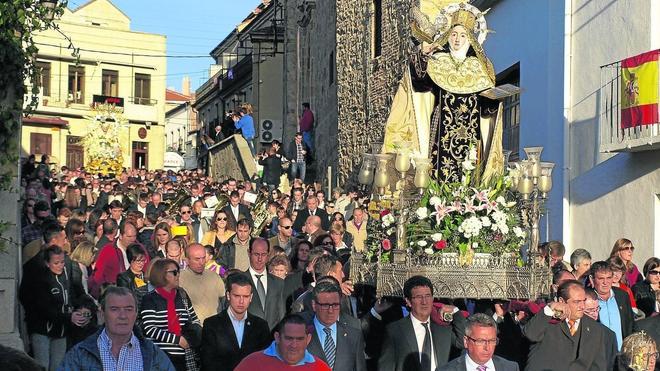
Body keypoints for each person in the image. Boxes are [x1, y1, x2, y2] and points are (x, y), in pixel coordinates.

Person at [383, 2, 502, 183]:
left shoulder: (480, 67)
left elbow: (486, 109)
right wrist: (422, 56)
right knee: (438, 173)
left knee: (470, 174)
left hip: (472, 134)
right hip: (441, 133)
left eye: (462, 35)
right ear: (447, 36)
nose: (457, 39)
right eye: (453, 34)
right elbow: (420, 82)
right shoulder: (438, 60)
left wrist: (494, 101)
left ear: (470, 38)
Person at [58, 286, 175, 371]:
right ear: (102, 313)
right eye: (114, 309)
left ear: (136, 313)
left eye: (128, 309)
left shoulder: (153, 355)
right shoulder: (80, 354)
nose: (123, 316)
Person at [379, 275, 466, 371]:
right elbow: (385, 367)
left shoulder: (443, 329)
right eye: (418, 297)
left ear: (433, 298)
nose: (424, 302)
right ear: (408, 301)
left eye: (428, 296)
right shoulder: (395, 330)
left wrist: (455, 311)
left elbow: (462, 342)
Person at [19, 245, 84, 371]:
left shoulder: (65, 275)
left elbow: (70, 296)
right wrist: (69, 316)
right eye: (56, 263)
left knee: (57, 366)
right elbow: (45, 308)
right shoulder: (41, 280)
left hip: (61, 330)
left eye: (62, 262)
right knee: (42, 365)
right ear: (47, 263)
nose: (60, 265)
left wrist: (80, 308)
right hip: (43, 329)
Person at [523, 280, 611, 370]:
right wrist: (550, 308)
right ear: (562, 301)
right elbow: (531, 335)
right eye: (576, 302)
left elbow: (598, 366)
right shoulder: (547, 319)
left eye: (583, 301)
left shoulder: (595, 329)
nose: (582, 306)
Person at [201, 273, 272, 371]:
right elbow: (208, 362)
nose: (241, 301)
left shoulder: (261, 326)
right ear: (228, 295)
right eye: (237, 296)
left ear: (251, 297)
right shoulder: (212, 324)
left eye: (246, 296)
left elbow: (265, 360)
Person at [141, 258, 202, 371]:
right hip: (159, 358)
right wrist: (177, 340)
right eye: (174, 272)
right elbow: (149, 329)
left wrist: (191, 338)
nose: (178, 275)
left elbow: (194, 320)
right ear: (161, 274)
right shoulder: (150, 299)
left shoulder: (182, 295)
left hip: (184, 357)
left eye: (178, 271)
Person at [306, 280, 367, 371]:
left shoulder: (354, 336)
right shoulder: (300, 334)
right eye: (325, 305)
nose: (331, 311)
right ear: (314, 305)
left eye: (335, 305)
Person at [235, 313, 331, 371]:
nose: (294, 345)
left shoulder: (320, 368)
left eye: (300, 339)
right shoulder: (251, 364)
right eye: (289, 338)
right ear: (277, 337)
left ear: (308, 339)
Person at [438, 313, 518, 371]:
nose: (487, 347)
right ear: (466, 341)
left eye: (492, 341)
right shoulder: (447, 369)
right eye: (480, 341)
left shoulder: (511, 367)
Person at [89, 221, 147, 299]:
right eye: (129, 236)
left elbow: (147, 269)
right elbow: (98, 275)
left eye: (134, 236)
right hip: (114, 295)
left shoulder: (140, 248)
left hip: (138, 295)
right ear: (120, 235)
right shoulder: (108, 250)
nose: (132, 239)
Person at [590, 260, 634, 350]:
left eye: (609, 278)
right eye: (601, 278)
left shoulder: (622, 296)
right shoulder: (587, 299)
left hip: (621, 353)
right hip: (599, 354)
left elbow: (630, 324)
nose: (605, 283)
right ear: (592, 279)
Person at [244, 237, 286, 330]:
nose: (260, 259)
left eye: (263, 254)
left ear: (268, 255)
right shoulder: (239, 281)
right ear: (249, 253)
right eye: (256, 254)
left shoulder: (278, 283)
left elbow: (281, 315)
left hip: (272, 339)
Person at [179, 243, 226, 325]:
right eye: (197, 259)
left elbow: (225, 301)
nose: (201, 262)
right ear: (187, 260)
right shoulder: (179, 279)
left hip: (214, 328)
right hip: (191, 330)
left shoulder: (214, 277)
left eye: (203, 258)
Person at [116, 243, 150, 311]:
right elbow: (125, 299)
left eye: (143, 260)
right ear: (130, 260)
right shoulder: (123, 278)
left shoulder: (148, 276)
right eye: (138, 261)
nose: (141, 263)